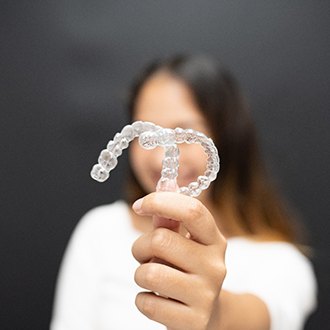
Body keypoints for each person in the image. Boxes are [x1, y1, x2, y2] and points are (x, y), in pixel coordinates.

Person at [50, 55, 317, 330]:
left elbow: (264, 315)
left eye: (186, 133)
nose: (158, 160)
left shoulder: (281, 263)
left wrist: (214, 314)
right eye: (146, 137)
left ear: (228, 137)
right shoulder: (99, 230)